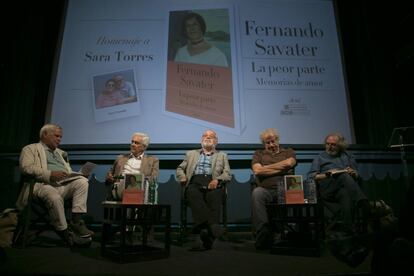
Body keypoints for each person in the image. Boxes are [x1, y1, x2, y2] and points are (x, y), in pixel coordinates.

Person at [16, 124, 94, 246]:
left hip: (62, 185)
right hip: (41, 185)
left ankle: (76, 222)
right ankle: (66, 233)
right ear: (45, 135)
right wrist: (49, 174)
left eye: (61, 137)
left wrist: (77, 175)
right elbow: (26, 168)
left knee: (82, 182)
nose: (59, 139)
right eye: (57, 136)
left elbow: (66, 172)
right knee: (54, 196)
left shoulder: (61, 153)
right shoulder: (30, 149)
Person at [176, 130, 231, 250]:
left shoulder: (222, 155)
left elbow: (227, 174)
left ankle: (206, 233)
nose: (207, 138)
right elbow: (180, 169)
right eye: (205, 136)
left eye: (211, 137)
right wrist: (183, 176)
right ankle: (213, 228)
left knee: (216, 195)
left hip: (213, 182)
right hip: (195, 182)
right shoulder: (191, 154)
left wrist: (218, 180)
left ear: (216, 141)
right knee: (191, 192)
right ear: (201, 140)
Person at [307, 132, 370, 234]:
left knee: (345, 193)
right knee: (343, 175)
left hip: (343, 189)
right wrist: (328, 174)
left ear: (340, 146)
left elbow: (356, 175)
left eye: (333, 144)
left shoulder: (348, 156)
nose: (330, 147)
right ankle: (363, 201)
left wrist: (353, 173)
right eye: (328, 144)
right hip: (327, 190)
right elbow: (311, 176)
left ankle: (348, 231)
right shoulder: (319, 157)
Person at [251, 128, 297, 250]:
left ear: (278, 140)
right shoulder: (258, 154)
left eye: (273, 141)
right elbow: (257, 170)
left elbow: (289, 164)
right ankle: (263, 230)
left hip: (287, 187)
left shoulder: (288, 152)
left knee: (289, 193)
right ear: (263, 144)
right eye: (267, 143)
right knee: (257, 193)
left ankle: (280, 232)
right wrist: (280, 169)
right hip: (265, 189)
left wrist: (266, 168)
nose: (271, 145)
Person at [105, 132, 159, 201]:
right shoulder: (120, 158)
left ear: (144, 147)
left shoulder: (152, 160)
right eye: (132, 142)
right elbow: (109, 176)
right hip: (120, 189)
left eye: (136, 143)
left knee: (133, 186)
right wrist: (109, 177)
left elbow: (153, 179)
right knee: (124, 184)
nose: (132, 144)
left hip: (139, 190)